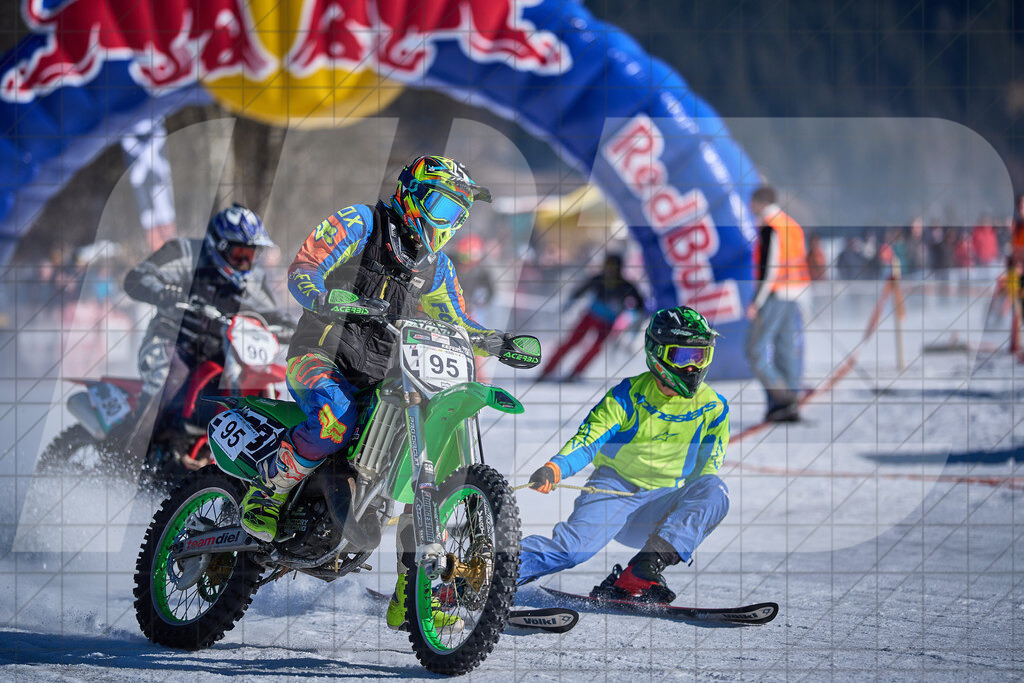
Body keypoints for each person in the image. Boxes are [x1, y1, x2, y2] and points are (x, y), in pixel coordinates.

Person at [238, 155, 536, 631]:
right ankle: (268, 492)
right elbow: (305, 266)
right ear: (413, 195)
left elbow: (456, 320)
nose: (447, 223)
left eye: (457, 215)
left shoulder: (435, 267)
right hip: (321, 356)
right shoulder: (363, 223)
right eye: (441, 207)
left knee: (425, 469)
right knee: (335, 419)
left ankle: (413, 593)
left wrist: (497, 341)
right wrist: (324, 295)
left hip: (385, 377)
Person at [519, 306, 729, 603]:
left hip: (659, 507)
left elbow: (703, 478)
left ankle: (642, 571)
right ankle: (493, 572)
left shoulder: (714, 407)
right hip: (613, 491)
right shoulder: (627, 395)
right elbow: (588, 441)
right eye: (683, 357)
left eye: (700, 356)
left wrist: (680, 525)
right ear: (658, 354)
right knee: (570, 552)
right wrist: (556, 468)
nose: (692, 368)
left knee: (715, 489)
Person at [121, 203, 285, 463]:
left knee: (248, 380)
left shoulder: (252, 279)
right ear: (219, 245)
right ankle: (127, 459)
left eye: (251, 255)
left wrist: (296, 325)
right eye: (240, 253)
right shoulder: (185, 253)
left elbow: (271, 313)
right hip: (173, 341)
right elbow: (138, 277)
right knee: (166, 376)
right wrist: (163, 292)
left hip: (221, 353)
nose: (246, 262)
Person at [745, 185, 810, 422]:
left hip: (776, 295)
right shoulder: (790, 224)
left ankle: (784, 398)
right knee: (785, 350)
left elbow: (769, 269)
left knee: (754, 350)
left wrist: (756, 301)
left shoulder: (770, 228)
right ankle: (791, 402)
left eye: (753, 203)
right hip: (796, 293)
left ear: (761, 203)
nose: (751, 207)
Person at [540, 253, 643, 381]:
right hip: (590, 317)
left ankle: (575, 373)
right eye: (608, 265)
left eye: (613, 266)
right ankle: (547, 370)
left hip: (607, 322)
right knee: (571, 341)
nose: (610, 269)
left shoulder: (625, 286)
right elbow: (580, 291)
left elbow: (640, 303)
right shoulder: (599, 279)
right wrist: (569, 304)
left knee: (595, 348)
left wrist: (633, 313)